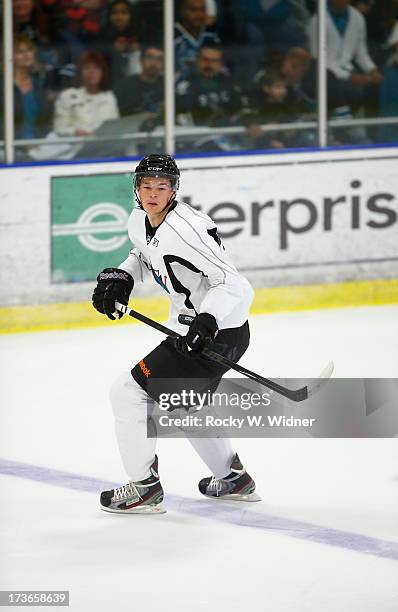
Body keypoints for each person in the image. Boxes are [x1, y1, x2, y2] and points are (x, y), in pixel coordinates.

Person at [92, 154, 259, 514]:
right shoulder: (140, 219)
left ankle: (144, 487)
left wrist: (207, 321)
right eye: (146, 186)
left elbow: (234, 284)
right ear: (136, 189)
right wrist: (123, 278)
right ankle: (233, 479)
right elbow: (143, 253)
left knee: (128, 392)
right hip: (203, 331)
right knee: (186, 406)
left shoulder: (187, 229)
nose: (153, 193)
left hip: (217, 333)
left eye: (162, 187)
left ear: (174, 190)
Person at [52, 50, 119, 158]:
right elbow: (58, 129)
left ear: (103, 72)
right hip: (73, 154)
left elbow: (115, 127)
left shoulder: (109, 96)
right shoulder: (67, 96)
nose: (91, 72)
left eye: (96, 68)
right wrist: (75, 132)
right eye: (87, 68)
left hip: (105, 152)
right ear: (80, 72)